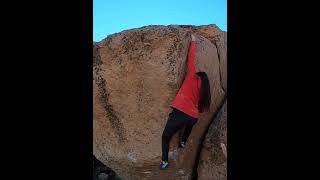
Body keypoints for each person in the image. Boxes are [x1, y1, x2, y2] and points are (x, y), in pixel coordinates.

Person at [160, 34, 211, 169]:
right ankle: (183, 141)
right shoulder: (205, 91)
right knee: (189, 125)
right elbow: (201, 108)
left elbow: (191, 59)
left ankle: (164, 161)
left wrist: (193, 41)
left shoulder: (192, 75)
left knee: (165, 137)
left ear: (198, 75)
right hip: (193, 117)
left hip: (180, 113)